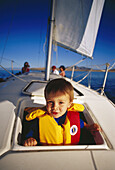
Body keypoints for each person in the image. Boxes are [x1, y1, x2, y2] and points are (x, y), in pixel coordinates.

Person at [22, 78, 101, 146]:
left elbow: (81, 124)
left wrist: (89, 127)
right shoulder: (38, 121)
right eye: (50, 102)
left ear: (69, 104)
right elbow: (30, 133)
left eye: (61, 103)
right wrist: (30, 139)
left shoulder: (73, 118)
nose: (55, 107)